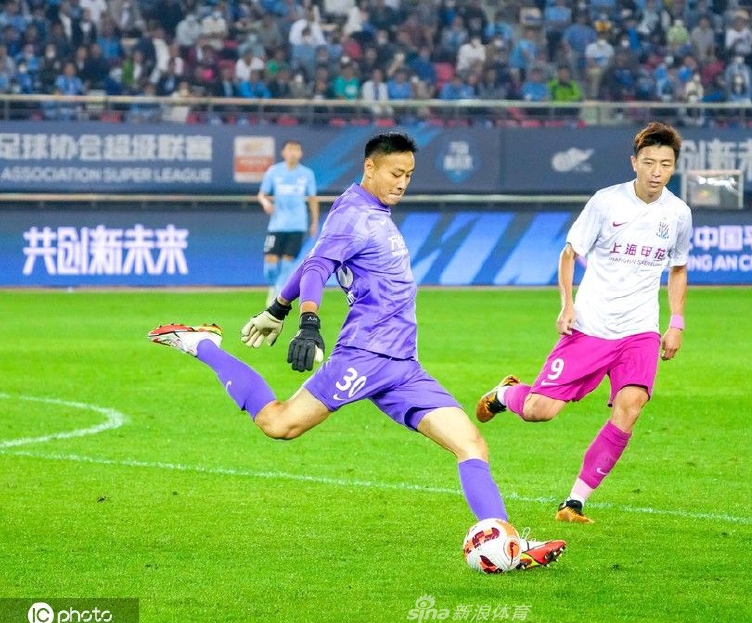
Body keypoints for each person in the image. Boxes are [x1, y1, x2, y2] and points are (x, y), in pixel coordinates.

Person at [148, 132, 565, 571]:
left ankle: (508, 543)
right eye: (396, 173)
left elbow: (315, 258)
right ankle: (203, 344)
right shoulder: (354, 214)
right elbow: (318, 266)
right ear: (370, 167)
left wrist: (278, 306)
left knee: (471, 444)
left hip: (403, 365)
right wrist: (308, 320)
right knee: (279, 424)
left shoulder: (371, 212)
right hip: (364, 355)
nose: (403, 183)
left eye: (409, 175)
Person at [475, 121, 692, 525]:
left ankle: (573, 502)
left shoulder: (678, 213)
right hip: (591, 327)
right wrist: (567, 305)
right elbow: (569, 253)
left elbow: (678, 268)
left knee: (631, 407)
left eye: (665, 164)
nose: (656, 171)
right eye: (649, 162)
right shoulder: (606, 202)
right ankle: (505, 395)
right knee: (541, 410)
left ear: (674, 167)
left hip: (639, 331)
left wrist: (676, 322)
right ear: (634, 162)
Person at [257, 139, 319, 306]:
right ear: (283, 152)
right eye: (290, 149)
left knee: (287, 263)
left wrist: (314, 222)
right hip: (276, 225)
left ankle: (277, 293)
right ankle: (272, 286)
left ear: (301, 153)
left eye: (296, 150)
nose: (293, 153)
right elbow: (261, 194)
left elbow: (312, 198)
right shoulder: (274, 171)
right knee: (270, 265)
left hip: (297, 225)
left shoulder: (307, 174)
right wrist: (266, 202)